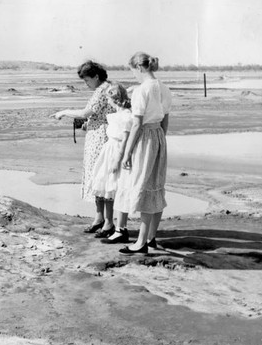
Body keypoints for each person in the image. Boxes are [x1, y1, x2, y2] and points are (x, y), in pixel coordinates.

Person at [114, 52, 172, 254]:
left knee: (143, 185)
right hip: (158, 137)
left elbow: (137, 124)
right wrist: (160, 141)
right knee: (155, 185)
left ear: (139, 68)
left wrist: (128, 152)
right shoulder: (164, 88)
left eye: (133, 71)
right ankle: (151, 237)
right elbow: (165, 120)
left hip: (145, 138)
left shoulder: (141, 90)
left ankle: (141, 243)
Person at [51, 61, 115, 234]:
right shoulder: (105, 89)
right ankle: (100, 218)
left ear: (96, 76)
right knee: (97, 178)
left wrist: (64, 112)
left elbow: (86, 112)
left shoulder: (102, 90)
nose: (86, 84)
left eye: (87, 80)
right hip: (99, 134)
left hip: (101, 137)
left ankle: (108, 222)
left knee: (102, 178)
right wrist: (89, 123)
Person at [90, 82, 133, 242]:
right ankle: (108, 223)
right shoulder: (115, 116)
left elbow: (125, 140)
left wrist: (117, 160)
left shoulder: (126, 116)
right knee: (105, 186)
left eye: (108, 99)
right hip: (108, 150)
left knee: (114, 187)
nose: (107, 102)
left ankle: (116, 226)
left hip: (116, 152)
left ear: (114, 99)